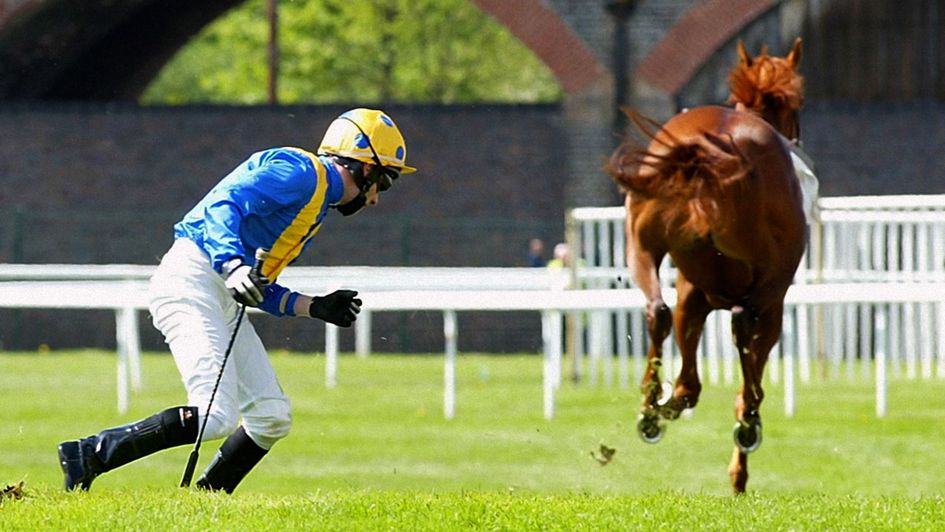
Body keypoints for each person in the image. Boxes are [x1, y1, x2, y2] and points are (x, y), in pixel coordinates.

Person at [56, 108, 416, 493]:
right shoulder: (301, 173)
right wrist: (231, 265)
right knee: (214, 416)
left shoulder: (315, 204)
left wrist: (313, 306)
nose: (377, 199)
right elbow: (222, 204)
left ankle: (205, 501)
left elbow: (257, 288)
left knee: (272, 417)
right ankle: (89, 453)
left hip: (218, 294)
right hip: (191, 282)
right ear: (362, 166)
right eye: (385, 181)